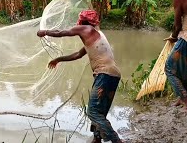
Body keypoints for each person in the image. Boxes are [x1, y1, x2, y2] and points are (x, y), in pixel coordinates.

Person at [37, 10, 123, 143]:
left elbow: (61, 32)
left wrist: (45, 32)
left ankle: (117, 141)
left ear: (83, 21)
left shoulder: (85, 28)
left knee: (93, 112)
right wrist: (58, 59)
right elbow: (78, 54)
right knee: (100, 112)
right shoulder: (96, 35)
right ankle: (97, 140)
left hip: (104, 73)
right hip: (114, 74)